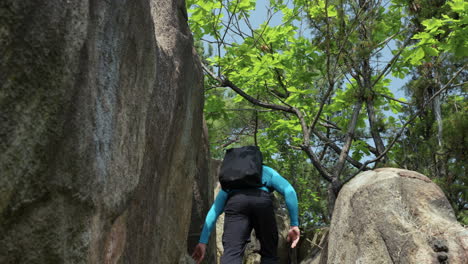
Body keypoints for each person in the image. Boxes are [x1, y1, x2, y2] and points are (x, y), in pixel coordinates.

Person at [191, 163, 300, 264]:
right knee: (269, 254)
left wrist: (202, 242)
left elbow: (214, 211)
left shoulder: (232, 177)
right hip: (262, 202)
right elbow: (290, 191)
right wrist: (294, 224)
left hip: (236, 203)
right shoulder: (266, 171)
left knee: (231, 254)